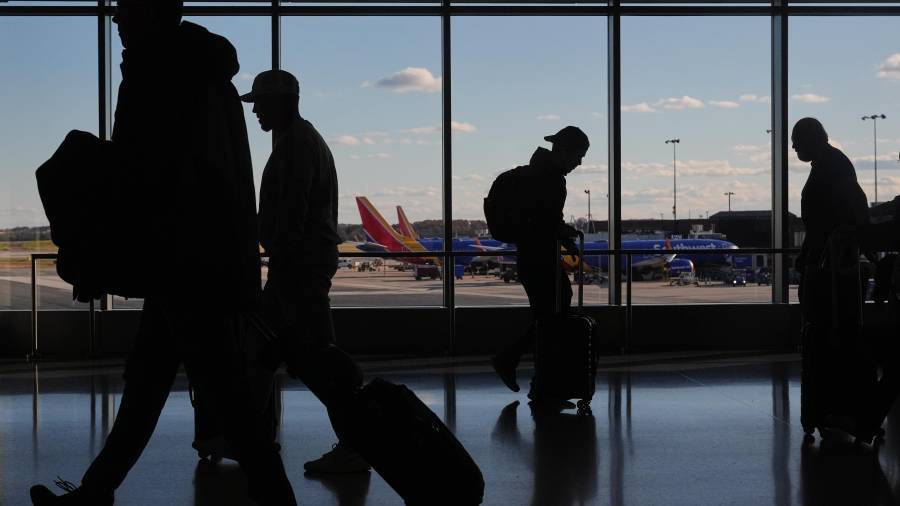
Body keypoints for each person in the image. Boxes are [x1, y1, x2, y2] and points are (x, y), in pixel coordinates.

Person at [29, 2, 296, 505]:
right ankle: (95, 491)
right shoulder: (204, 74)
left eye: (125, 9)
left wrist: (93, 239)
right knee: (156, 387)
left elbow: (143, 177)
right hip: (201, 261)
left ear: (149, 13)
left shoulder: (159, 74)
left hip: (183, 265)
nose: (116, 20)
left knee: (218, 401)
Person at [240, 70, 369, 474]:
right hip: (298, 264)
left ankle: (355, 445)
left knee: (315, 359)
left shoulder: (295, 145)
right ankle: (247, 434)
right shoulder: (303, 140)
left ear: (282, 101)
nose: (255, 110)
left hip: (297, 266)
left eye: (260, 102)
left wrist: (276, 246)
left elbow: (292, 211)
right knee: (263, 350)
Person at [490, 126, 588, 409]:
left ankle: (534, 379)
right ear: (564, 151)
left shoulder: (534, 174)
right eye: (578, 156)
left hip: (532, 257)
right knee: (553, 321)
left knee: (549, 320)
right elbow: (547, 222)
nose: (579, 163)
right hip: (540, 260)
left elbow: (541, 221)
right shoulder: (550, 180)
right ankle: (533, 380)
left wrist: (561, 234)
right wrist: (563, 233)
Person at [792, 117, 871, 437]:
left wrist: (823, 253)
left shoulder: (831, 167)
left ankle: (829, 408)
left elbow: (841, 217)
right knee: (827, 335)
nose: (793, 146)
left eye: (797, 139)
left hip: (830, 270)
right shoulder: (831, 164)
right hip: (826, 263)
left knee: (826, 334)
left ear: (812, 138)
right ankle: (831, 410)